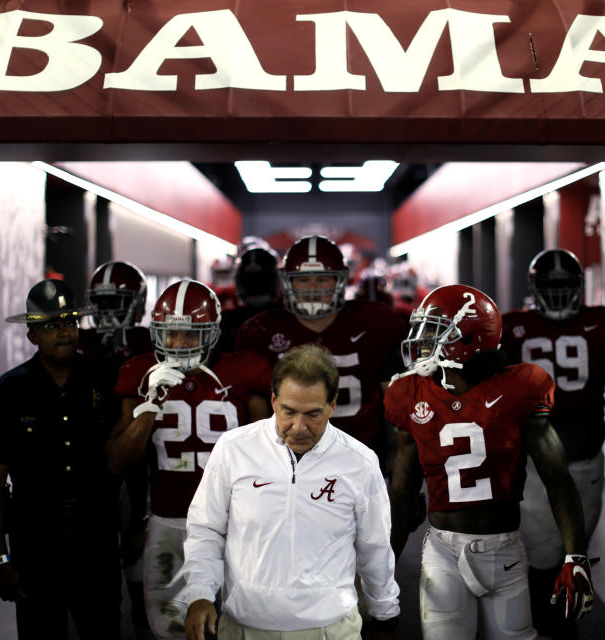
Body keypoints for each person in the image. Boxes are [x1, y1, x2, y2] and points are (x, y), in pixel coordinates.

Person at [387, 284, 593, 640]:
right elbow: (402, 491)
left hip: (505, 548)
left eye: (436, 330)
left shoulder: (521, 387)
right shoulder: (409, 393)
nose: (422, 340)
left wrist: (576, 557)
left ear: (467, 338)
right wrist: (385, 562)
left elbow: (557, 479)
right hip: (441, 549)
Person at [177, 343, 401, 640]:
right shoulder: (233, 450)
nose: (298, 426)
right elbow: (206, 529)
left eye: (313, 414)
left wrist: (385, 613)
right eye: (289, 411)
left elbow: (374, 546)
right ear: (273, 400)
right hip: (243, 627)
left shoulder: (360, 462)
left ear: (333, 405)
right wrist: (200, 594)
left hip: (332, 630)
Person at [107, 279, 272, 638]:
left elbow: (269, 455)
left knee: (239, 625)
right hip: (170, 521)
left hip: (235, 523)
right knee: (170, 627)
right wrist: (151, 402)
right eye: (171, 335)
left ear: (212, 333)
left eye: (190, 335)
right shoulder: (142, 374)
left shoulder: (244, 371)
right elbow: (118, 461)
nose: (179, 345)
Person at [500, 249, 605, 638]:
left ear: (578, 287)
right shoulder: (513, 328)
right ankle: (552, 625)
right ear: (534, 288)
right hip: (533, 461)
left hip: (584, 455)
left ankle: (558, 619)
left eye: (565, 285)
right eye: (551, 286)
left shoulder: (603, 324)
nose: (559, 294)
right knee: (543, 550)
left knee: (574, 547)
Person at [0, 279, 121, 639]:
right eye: (52, 325)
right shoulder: (8, 392)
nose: (64, 332)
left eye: (70, 322)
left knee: (103, 630)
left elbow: (128, 454)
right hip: (36, 544)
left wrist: (137, 524)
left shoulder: (104, 378)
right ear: (32, 335)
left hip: (96, 539)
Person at [235, 235, 405, 460]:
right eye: (303, 280)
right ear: (287, 282)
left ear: (340, 281)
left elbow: (397, 410)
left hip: (359, 459)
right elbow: (254, 415)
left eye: (323, 279)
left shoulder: (377, 322)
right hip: (287, 462)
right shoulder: (259, 330)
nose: (312, 287)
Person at [79, 259, 154, 636]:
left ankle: (141, 617)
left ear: (137, 304)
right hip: (92, 459)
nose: (108, 312)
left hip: (143, 453)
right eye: (102, 303)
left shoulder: (148, 341)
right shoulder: (80, 342)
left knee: (140, 548)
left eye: (117, 302)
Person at [217, 245, 282, 353]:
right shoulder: (286, 317)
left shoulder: (226, 320)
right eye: (251, 281)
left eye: (260, 280)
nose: (256, 286)